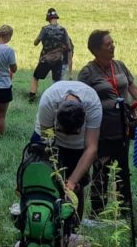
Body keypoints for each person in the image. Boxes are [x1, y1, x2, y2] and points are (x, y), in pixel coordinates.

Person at [78, 30, 137, 215]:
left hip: (122, 128)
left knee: (123, 170)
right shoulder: (87, 72)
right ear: (96, 50)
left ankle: (125, 211)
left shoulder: (120, 66)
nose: (113, 46)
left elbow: (133, 88)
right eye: (108, 44)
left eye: (113, 42)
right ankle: (98, 213)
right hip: (100, 131)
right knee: (100, 172)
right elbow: (80, 99)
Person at [33, 79, 102, 220]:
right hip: (50, 140)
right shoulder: (48, 101)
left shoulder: (93, 104)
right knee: (46, 182)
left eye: (73, 132)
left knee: (77, 187)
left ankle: (75, 227)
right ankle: (46, 221)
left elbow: (91, 148)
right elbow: (46, 143)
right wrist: (55, 173)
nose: (67, 136)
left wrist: (72, 181)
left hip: (78, 147)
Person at [29, 8, 74, 103]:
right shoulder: (63, 30)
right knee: (56, 81)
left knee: (35, 77)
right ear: (56, 18)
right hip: (58, 59)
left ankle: (31, 100)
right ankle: (57, 101)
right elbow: (69, 47)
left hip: (46, 59)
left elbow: (36, 42)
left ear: (48, 19)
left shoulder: (45, 29)